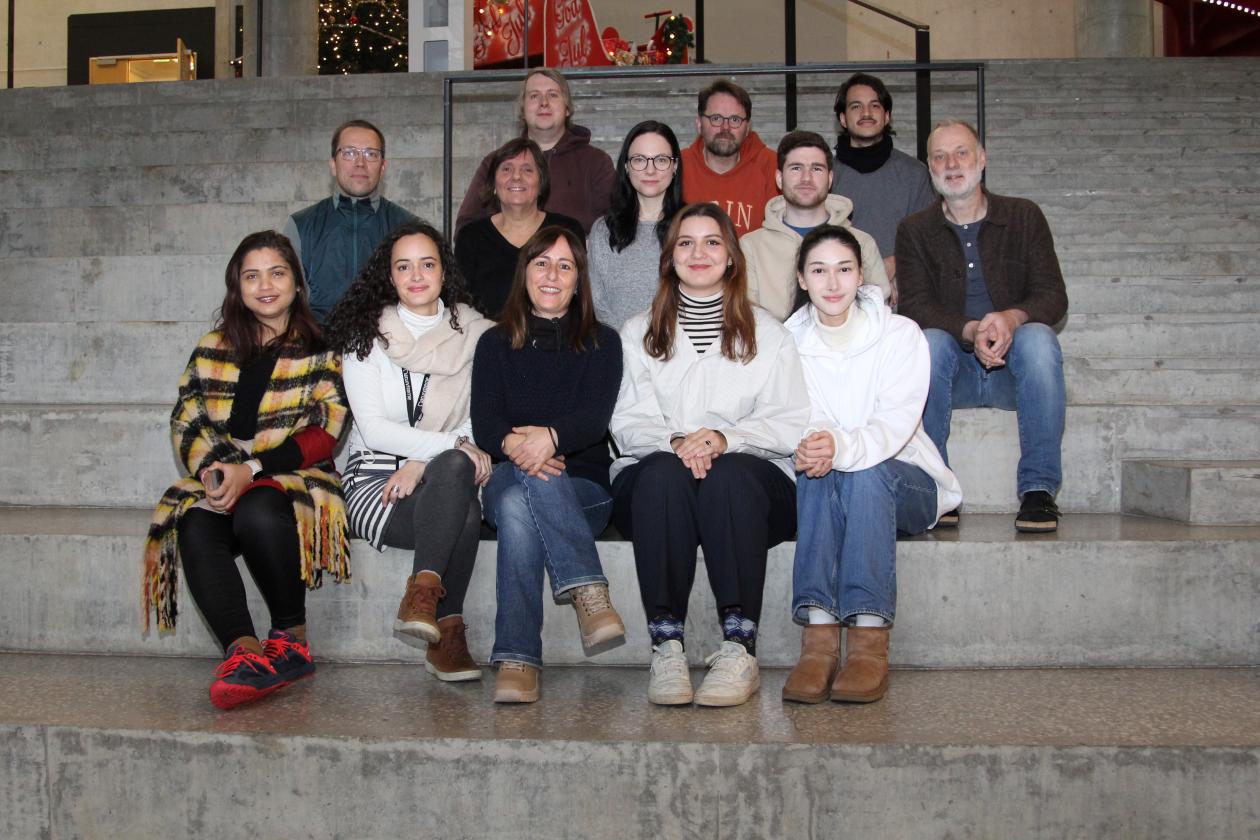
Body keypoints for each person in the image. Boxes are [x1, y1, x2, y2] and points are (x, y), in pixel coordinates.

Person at [610, 203, 810, 708]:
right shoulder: (636, 333)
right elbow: (627, 421)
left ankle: (739, 648)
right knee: (660, 475)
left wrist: (724, 439)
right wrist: (677, 443)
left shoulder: (769, 333)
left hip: (750, 482)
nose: (698, 253)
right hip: (660, 475)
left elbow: (788, 421)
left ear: (732, 257)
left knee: (729, 477)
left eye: (712, 242)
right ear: (669, 257)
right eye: (685, 242)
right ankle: (667, 644)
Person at [142, 230, 351, 710]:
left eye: (277, 273)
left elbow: (326, 429)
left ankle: (291, 640)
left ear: (297, 284)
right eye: (251, 276)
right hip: (223, 473)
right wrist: (215, 472)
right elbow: (187, 417)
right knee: (194, 520)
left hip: (296, 477)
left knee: (257, 507)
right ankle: (244, 651)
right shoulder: (212, 347)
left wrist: (253, 469)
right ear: (236, 287)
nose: (265, 285)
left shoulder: (320, 349)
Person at [781, 225, 961, 705]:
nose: (833, 282)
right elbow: (799, 415)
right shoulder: (787, 341)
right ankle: (818, 639)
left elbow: (893, 425)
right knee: (819, 468)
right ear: (801, 278)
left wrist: (834, 447)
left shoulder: (900, 334)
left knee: (860, 468)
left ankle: (868, 635)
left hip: (907, 483)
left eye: (844, 269)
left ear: (862, 274)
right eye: (819, 270)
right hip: (832, 482)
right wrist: (818, 447)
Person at [324, 220, 494, 682]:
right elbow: (375, 431)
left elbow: (481, 415)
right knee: (461, 501)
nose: (416, 275)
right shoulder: (365, 337)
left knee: (457, 470)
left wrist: (425, 461)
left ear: (444, 272)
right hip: (377, 481)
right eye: (404, 266)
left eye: (427, 264)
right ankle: (448, 626)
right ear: (390, 276)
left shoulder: (476, 334)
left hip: (445, 473)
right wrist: (448, 446)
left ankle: (422, 594)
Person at [471, 226, 626, 703]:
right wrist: (524, 447)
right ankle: (588, 592)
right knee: (518, 487)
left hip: (586, 491)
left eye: (565, 265)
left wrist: (550, 438)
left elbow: (593, 420)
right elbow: (485, 424)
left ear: (579, 280)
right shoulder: (494, 343)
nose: (552, 275)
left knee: (522, 504)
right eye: (542, 263)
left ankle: (517, 659)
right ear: (525, 274)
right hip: (503, 478)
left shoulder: (603, 342)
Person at [896, 120, 1068, 532]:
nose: (951, 164)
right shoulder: (914, 230)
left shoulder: (1024, 216)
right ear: (930, 168)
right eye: (939, 156)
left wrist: (1011, 318)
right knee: (930, 342)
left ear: (982, 159)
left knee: (1040, 339)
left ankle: (1038, 490)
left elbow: (1053, 296)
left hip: (1017, 372)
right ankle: (937, 486)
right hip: (952, 373)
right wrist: (971, 329)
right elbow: (916, 306)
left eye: (961, 153)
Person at [740, 130, 889, 320]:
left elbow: (876, 311)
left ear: (830, 179)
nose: (806, 178)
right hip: (775, 346)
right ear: (779, 178)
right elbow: (749, 317)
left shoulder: (862, 242)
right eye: (796, 168)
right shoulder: (751, 246)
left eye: (816, 169)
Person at [281, 119, 417, 323]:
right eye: (349, 153)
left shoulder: (409, 227)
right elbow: (287, 302)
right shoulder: (300, 226)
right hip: (319, 347)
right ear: (333, 164)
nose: (360, 163)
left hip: (388, 347)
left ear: (383, 166)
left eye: (371, 154)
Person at [456, 67, 614, 234]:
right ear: (523, 110)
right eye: (534, 96)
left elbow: (613, 226)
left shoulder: (596, 162)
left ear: (567, 108)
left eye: (553, 95)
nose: (543, 102)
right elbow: (465, 229)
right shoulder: (495, 163)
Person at [455, 137, 585, 319]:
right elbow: (461, 304)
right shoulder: (470, 237)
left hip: (555, 340)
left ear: (541, 183)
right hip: (486, 340)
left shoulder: (567, 230)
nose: (516, 177)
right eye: (507, 169)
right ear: (493, 183)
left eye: (527, 170)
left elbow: (580, 295)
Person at [831, 73, 937, 290]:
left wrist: (897, 264)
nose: (866, 113)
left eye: (875, 106)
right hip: (838, 291)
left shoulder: (914, 173)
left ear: (887, 116)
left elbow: (930, 236)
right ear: (842, 118)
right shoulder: (826, 175)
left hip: (903, 291)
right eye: (856, 106)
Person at [588, 120, 685, 329]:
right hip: (618, 351)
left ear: (675, 165)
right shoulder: (603, 230)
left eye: (661, 160)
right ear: (626, 166)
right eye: (639, 160)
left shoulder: (692, 227)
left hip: (682, 354)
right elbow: (597, 304)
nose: (650, 170)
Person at [679, 80, 779, 237]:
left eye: (735, 120)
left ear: (747, 127)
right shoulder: (679, 166)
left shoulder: (771, 165)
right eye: (716, 118)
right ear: (699, 123)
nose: (725, 128)